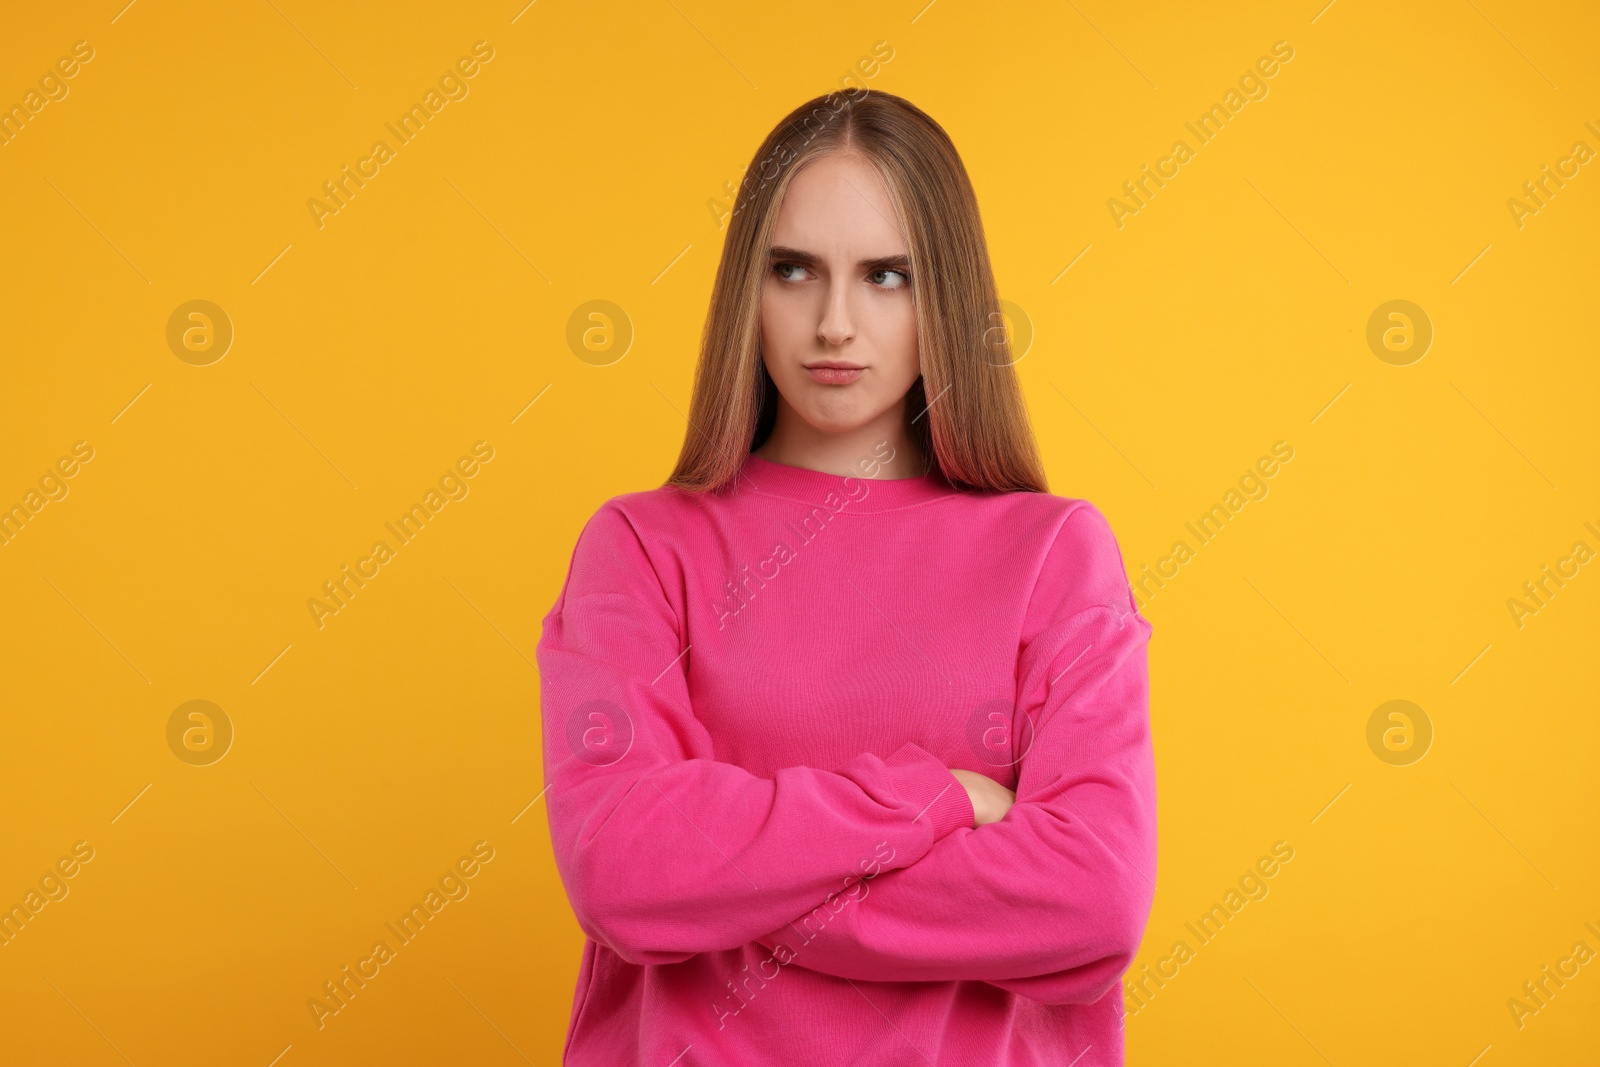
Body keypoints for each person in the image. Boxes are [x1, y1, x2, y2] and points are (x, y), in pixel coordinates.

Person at [538, 87, 1156, 1066]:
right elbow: (623, 871)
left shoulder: (1052, 553)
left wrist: (731, 879)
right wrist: (938, 797)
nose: (833, 322)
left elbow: (1093, 900)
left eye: (885, 275)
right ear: (748, 285)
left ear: (943, 293)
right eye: (793, 270)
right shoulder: (640, 547)